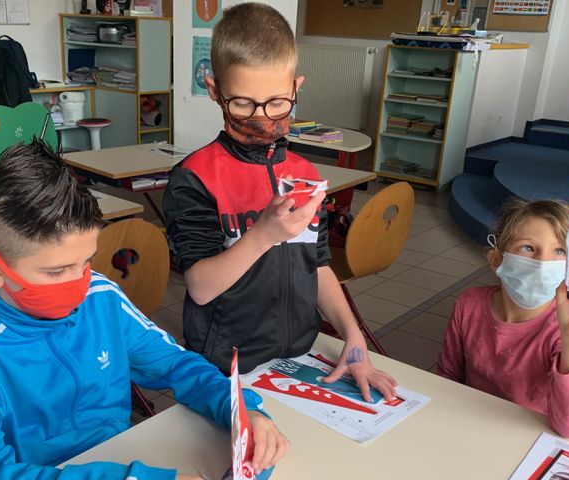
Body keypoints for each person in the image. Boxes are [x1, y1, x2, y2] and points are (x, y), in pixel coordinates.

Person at [0, 140, 289, 480]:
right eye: (57, 272)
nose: (80, 284)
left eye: (86, 262)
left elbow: (175, 363)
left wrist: (237, 409)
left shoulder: (99, 296)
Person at [163, 2, 396, 402]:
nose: (261, 119)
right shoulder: (195, 178)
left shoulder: (305, 173)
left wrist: (353, 335)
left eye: (276, 104)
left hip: (297, 354)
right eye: (242, 104)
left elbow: (318, 264)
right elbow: (200, 287)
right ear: (215, 91)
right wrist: (263, 235)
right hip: (225, 365)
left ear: (295, 89)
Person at [437, 198, 569, 438]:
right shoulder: (469, 304)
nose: (542, 263)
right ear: (496, 260)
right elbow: (446, 379)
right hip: (469, 428)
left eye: (559, 251)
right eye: (528, 248)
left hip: (532, 438)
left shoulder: (566, 327)